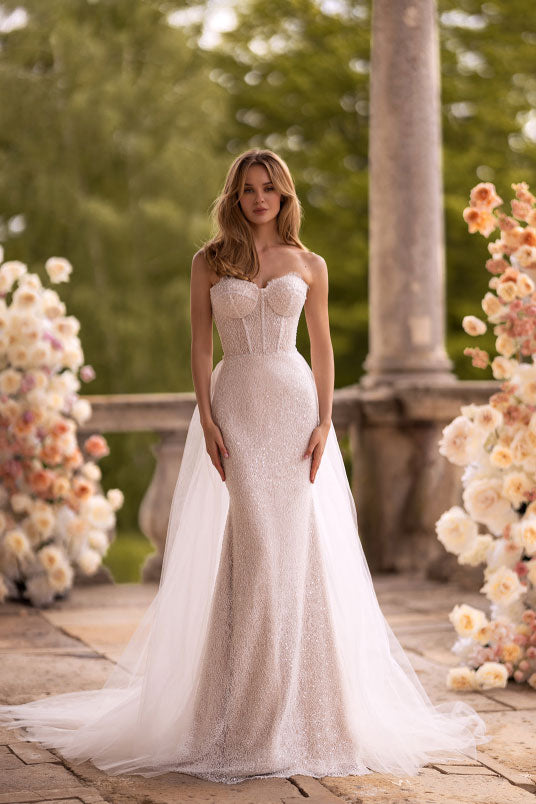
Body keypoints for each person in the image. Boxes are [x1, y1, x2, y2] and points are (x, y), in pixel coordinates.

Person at [0, 148, 490, 784]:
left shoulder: (307, 263)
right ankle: (238, 713)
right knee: (255, 547)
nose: (260, 198)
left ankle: (303, 713)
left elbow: (322, 346)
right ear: (235, 196)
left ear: (284, 198)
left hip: (292, 409)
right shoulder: (209, 261)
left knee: (289, 551)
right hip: (237, 409)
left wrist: (324, 421)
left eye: (271, 190)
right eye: (250, 189)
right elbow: (200, 347)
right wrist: (206, 417)